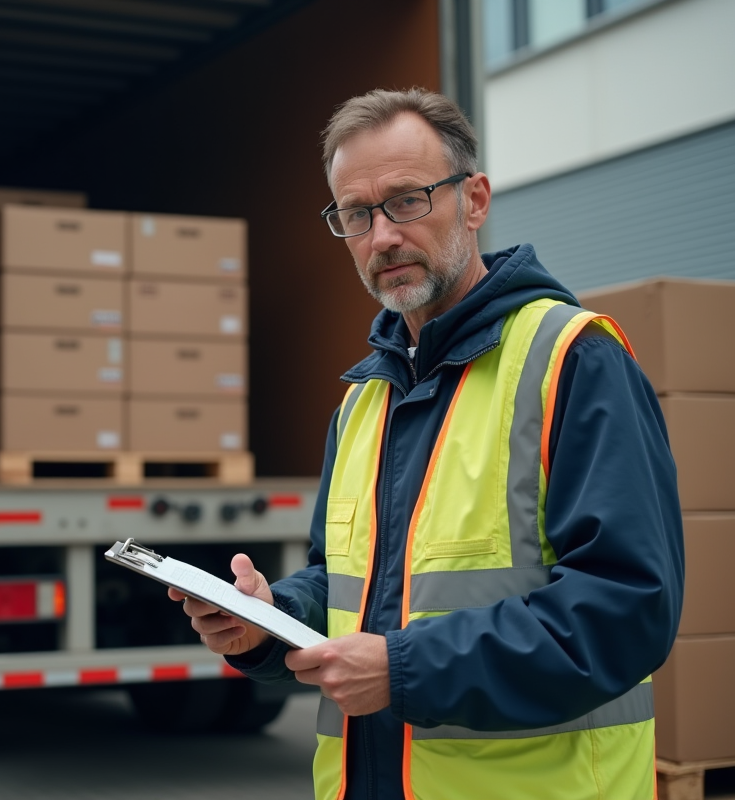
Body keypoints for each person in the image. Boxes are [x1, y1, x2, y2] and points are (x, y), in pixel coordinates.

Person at [170, 88, 683, 800]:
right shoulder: (362, 401)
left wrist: (407, 671)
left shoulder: (572, 359)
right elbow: (357, 597)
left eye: (408, 200)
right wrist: (265, 619)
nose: (381, 238)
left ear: (474, 201)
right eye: (356, 214)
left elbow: (627, 608)